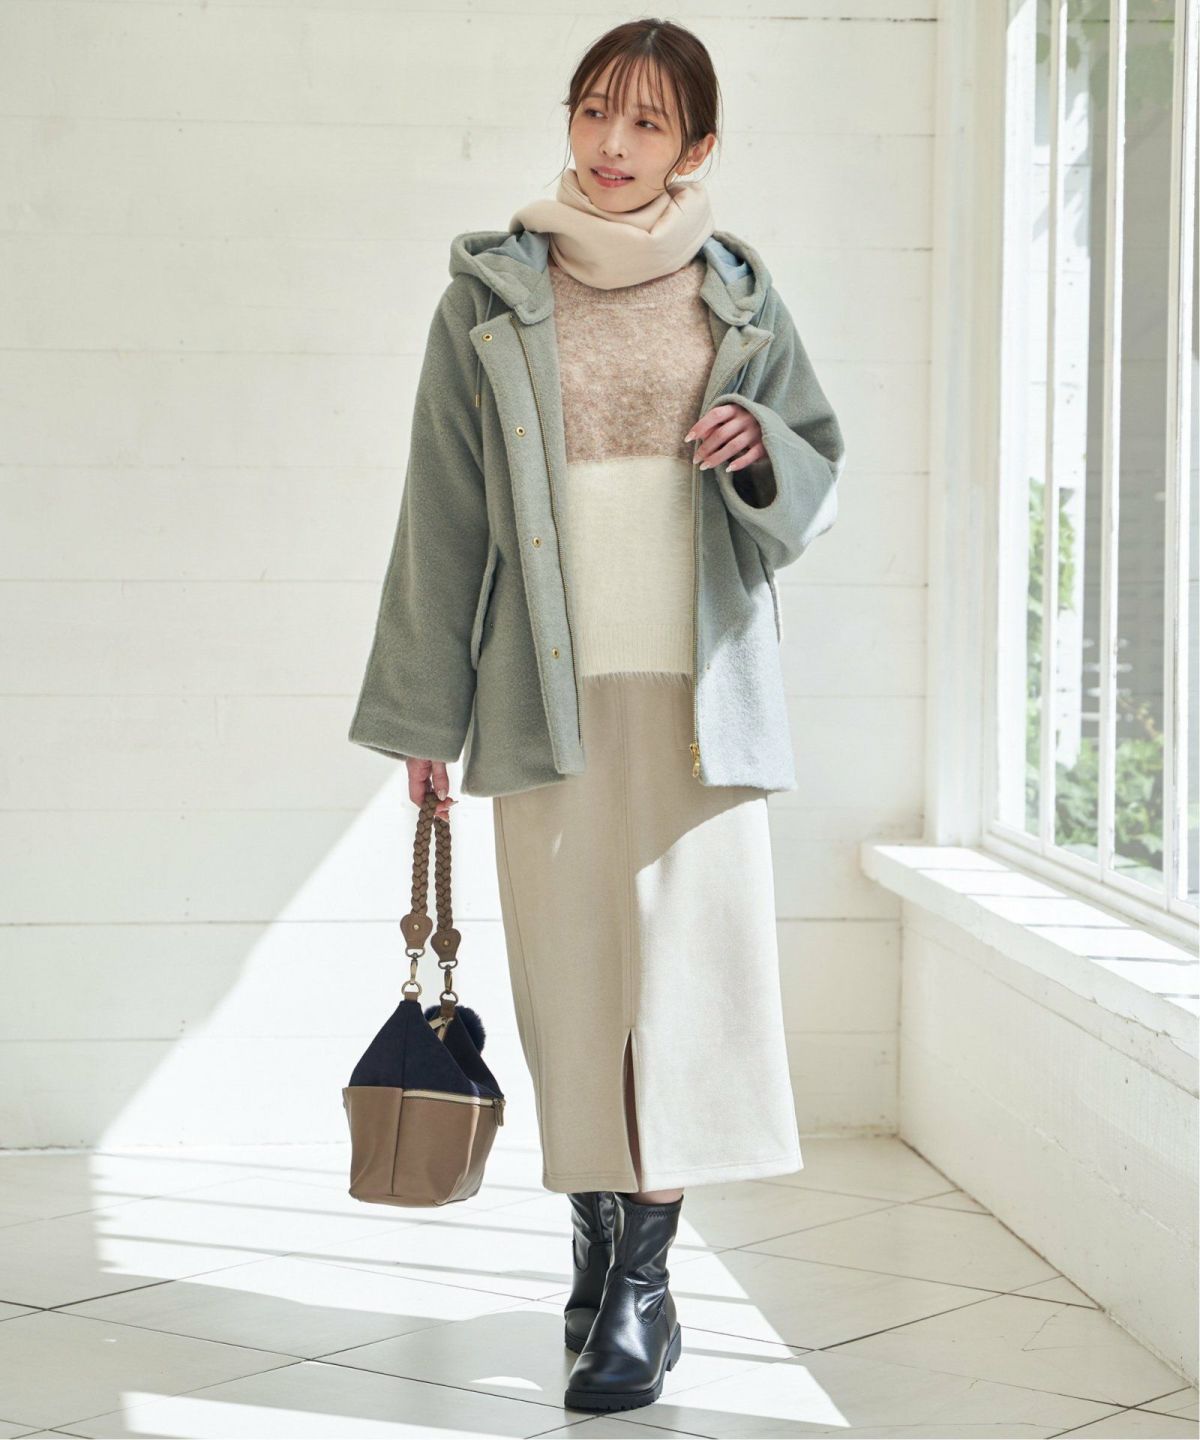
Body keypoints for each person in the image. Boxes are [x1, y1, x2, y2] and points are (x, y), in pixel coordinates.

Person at [347, 16, 846, 1414]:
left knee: (688, 989)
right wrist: (425, 720)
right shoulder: (490, 297)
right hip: (542, 696)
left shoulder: (739, 296)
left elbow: (815, 468)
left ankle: (642, 1289)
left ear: (696, 147)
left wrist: (760, 454)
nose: (612, 144)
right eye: (593, 112)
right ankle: (597, 1232)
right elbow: (442, 518)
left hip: (703, 697)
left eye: (646, 122)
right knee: (574, 987)